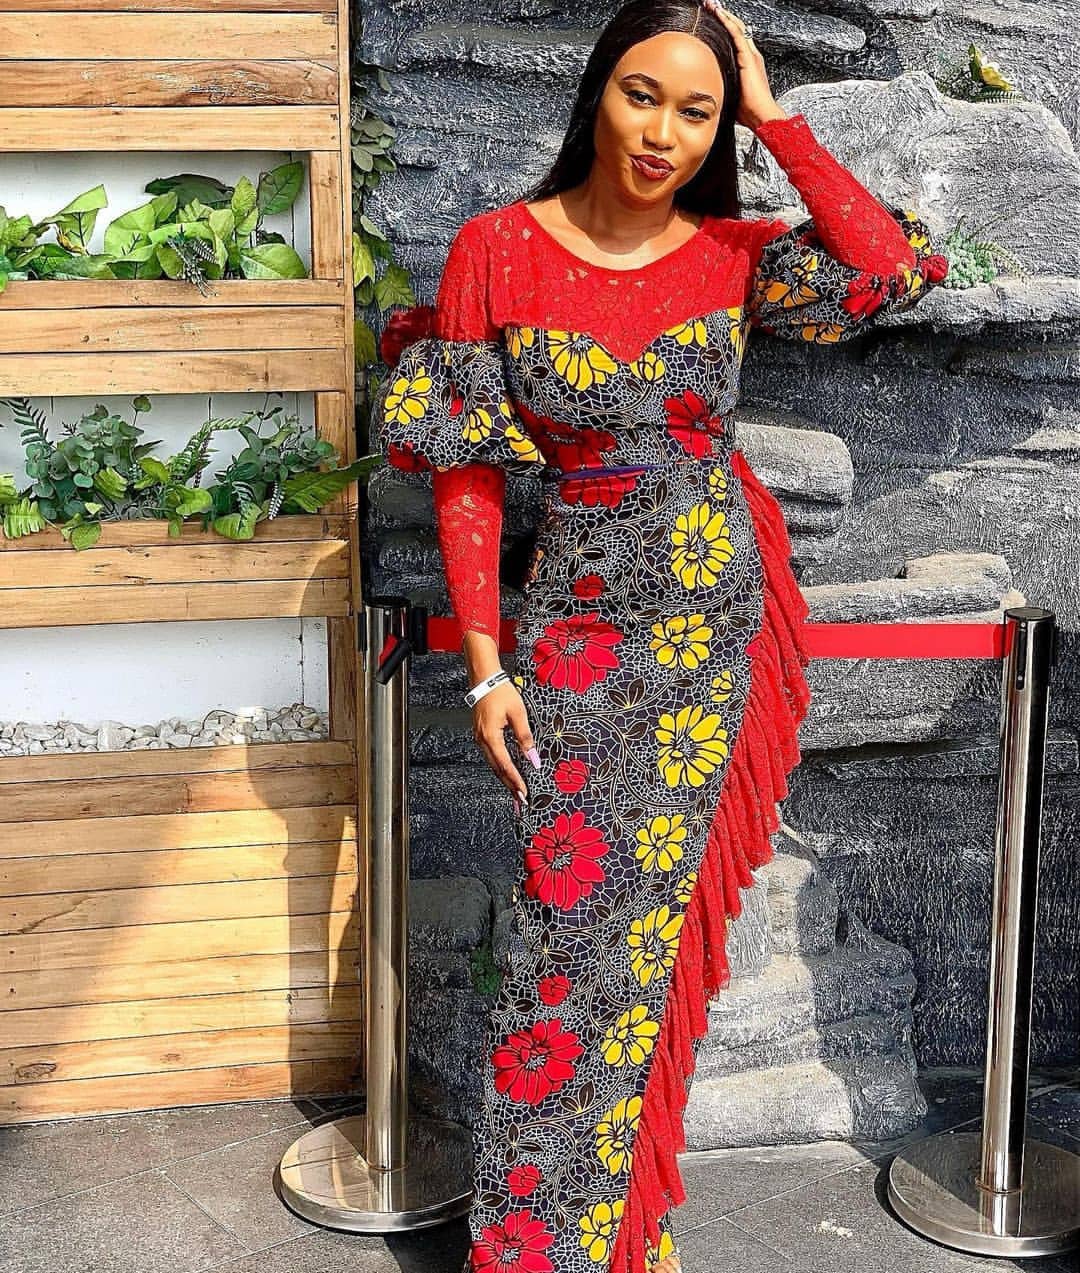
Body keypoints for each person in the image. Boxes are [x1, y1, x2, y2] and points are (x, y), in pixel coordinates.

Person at [376, 2, 949, 1269]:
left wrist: (775, 115)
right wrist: (485, 670)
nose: (663, 134)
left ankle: (617, 1232)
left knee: (647, 947)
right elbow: (467, 477)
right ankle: (537, 1246)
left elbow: (885, 269)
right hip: (576, 637)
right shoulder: (495, 247)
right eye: (644, 95)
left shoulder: (735, 253)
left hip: (710, 630)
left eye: (698, 113)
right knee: (565, 943)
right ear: (598, 91)